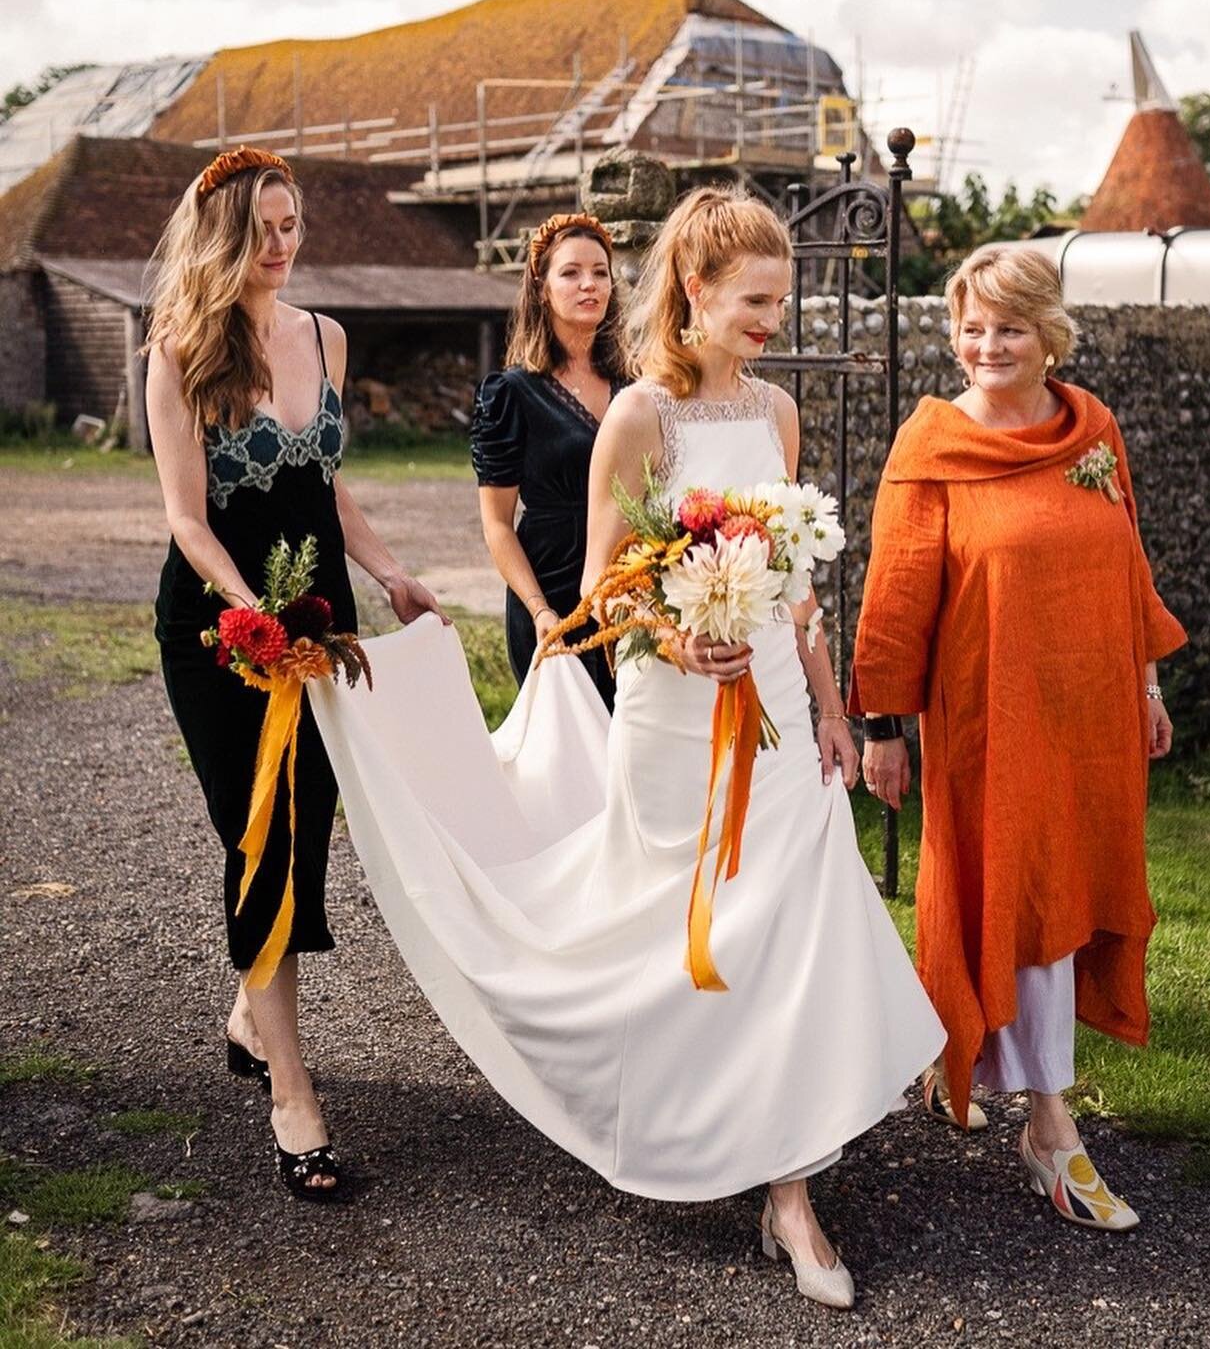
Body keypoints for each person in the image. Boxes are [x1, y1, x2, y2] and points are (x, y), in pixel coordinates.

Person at [307, 185, 944, 1309]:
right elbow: (602, 589)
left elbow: (797, 594)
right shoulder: (640, 417)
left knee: (794, 927)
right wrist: (676, 632)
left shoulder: (779, 414)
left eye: (781, 302)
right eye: (754, 300)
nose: (771, 322)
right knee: (692, 938)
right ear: (694, 291)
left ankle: (789, 1191)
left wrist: (834, 709)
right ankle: (694, 1114)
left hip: (782, 722)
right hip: (671, 712)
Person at [848, 243, 1186, 1233]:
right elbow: (896, 593)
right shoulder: (933, 445)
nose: (986, 345)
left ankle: (968, 1062)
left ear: (1049, 336)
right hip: (988, 725)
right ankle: (1051, 1128)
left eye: (1008, 327)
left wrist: (1148, 679)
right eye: (972, 327)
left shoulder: (1091, 430)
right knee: (1019, 899)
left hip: (1091, 719)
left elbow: (1128, 562)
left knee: (1069, 896)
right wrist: (883, 725)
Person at [147, 146, 444, 1201]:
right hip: (224, 630)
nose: (284, 245)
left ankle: (245, 1010)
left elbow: (325, 489)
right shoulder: (181, 348)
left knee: (309, 823)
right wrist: (247, 612)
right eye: (265, 229)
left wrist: (395, 574)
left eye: (293, 225)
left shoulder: (325, 334)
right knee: (257, 836)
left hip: (323, 618)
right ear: (225, 235)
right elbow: (187, 518)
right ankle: (292, 1095)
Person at [472, 212, 629, 706]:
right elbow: (497, 523)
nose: (589, 285)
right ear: (542, 288)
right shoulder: (512, 394)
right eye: (571, 272)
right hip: (550, 596)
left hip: (629, 590)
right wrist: (539, 610)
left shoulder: (639, 386)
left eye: (600, 272)